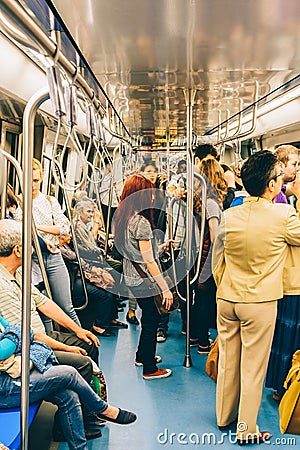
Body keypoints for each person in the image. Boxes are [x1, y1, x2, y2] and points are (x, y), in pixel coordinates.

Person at [212, 150, 300, 444]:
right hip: (259, 302)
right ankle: (246, 429)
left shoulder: (229, 214)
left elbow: (217, 259)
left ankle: (225, 416)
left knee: (228, 360)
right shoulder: (283, 215)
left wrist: (224, 285)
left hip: (227, 298)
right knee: (253, 368)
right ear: (272, 185)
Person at [0, 219, 104, 439]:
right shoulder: (2, 286)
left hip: (42, 336)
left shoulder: (17, 272)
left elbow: (43, 303)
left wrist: (77, 330)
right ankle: (65, 427)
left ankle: (87, 413)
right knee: (82, 363)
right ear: (18, 250)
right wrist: (64, 347)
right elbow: (22, 334)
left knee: (88, 342)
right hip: (29, 346)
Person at [0, 318, 137, 450]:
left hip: (11, 375)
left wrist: (17, 334)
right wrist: (19, 333)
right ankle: (102, 409)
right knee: (69, 373)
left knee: (69, 395)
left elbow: (16, 330)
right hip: (4, 389)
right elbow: (5, 348)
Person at [114, 174, 173, 379]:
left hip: (131, 277)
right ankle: (149, 368)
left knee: (147, 316)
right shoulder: (142, 223)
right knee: (152, 319)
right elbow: (149, 261)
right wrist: (164, 287)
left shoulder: (122, 218)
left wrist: (160, 247)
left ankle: (141, 355)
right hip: (143, 279)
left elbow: (136, 252)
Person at [15, 158, 81, 326]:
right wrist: (45, 230)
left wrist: (36, 227)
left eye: (36, 180)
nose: (32, 185)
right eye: (29, 181)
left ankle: (86, 346)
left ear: (41, 179)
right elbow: (19, 231)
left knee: (66, 307)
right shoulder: (18, 203)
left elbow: (65, 228)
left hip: (54, 258)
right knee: (41, 309)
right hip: (30, 261)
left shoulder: (50, 201)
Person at [191, 158, 227, 353]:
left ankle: (196, 335)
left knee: (200, 299)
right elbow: (214, 235)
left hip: (200, 255)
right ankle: (204, 342)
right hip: (209, 257)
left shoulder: (199, 200)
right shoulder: (212, 203)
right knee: (206, 299)